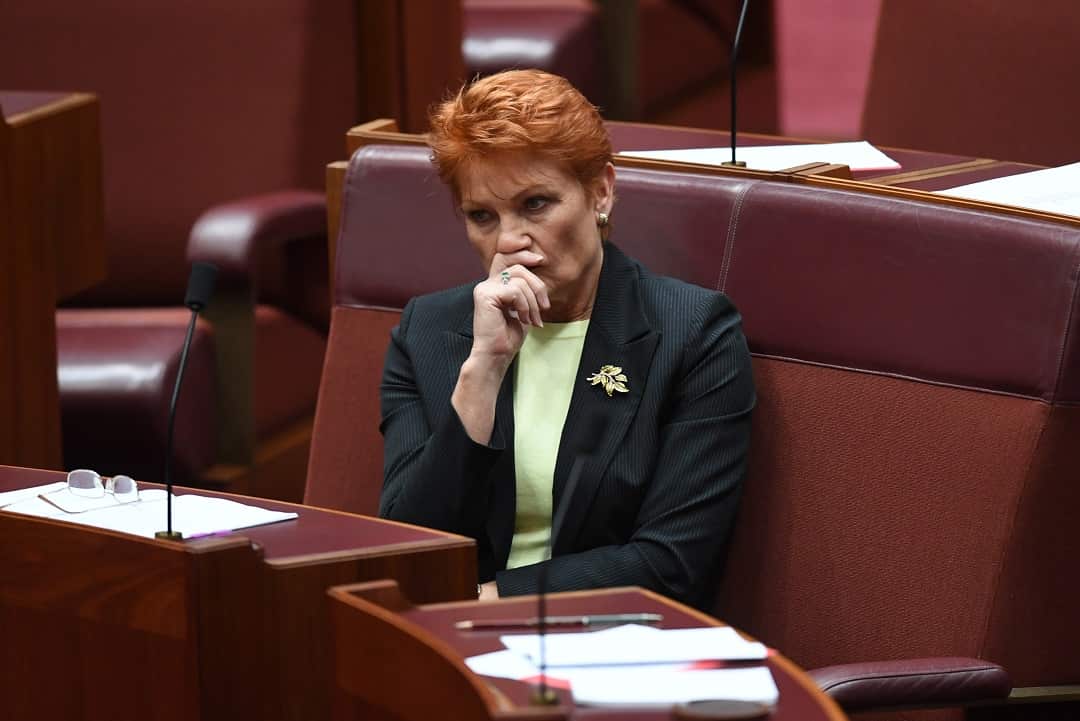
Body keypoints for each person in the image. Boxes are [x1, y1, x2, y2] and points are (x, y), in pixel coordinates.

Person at [378, 69, 754, 609]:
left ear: (600, 191)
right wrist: (483, 367)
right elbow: (410, 544)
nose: (508, 241)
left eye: (535, 204)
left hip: (611, 642)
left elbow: (671, 564)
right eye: (482, 216)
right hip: (446, 637)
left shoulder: (692, 333)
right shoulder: (429, 332)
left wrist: (486, 601)